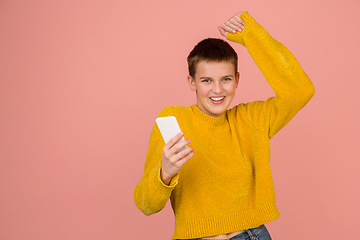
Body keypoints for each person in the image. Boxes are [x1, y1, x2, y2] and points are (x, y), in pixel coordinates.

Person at [134, 10, 315, 240]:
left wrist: (251, 35)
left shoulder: (252, 119)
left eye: (226, 79)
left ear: (237, 79)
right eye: (207, 80)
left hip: (252, 235)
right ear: (192, 83)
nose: (217, 90)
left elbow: (301, 90)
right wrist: (165, 173)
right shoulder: (174, 120)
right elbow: (146, 205)